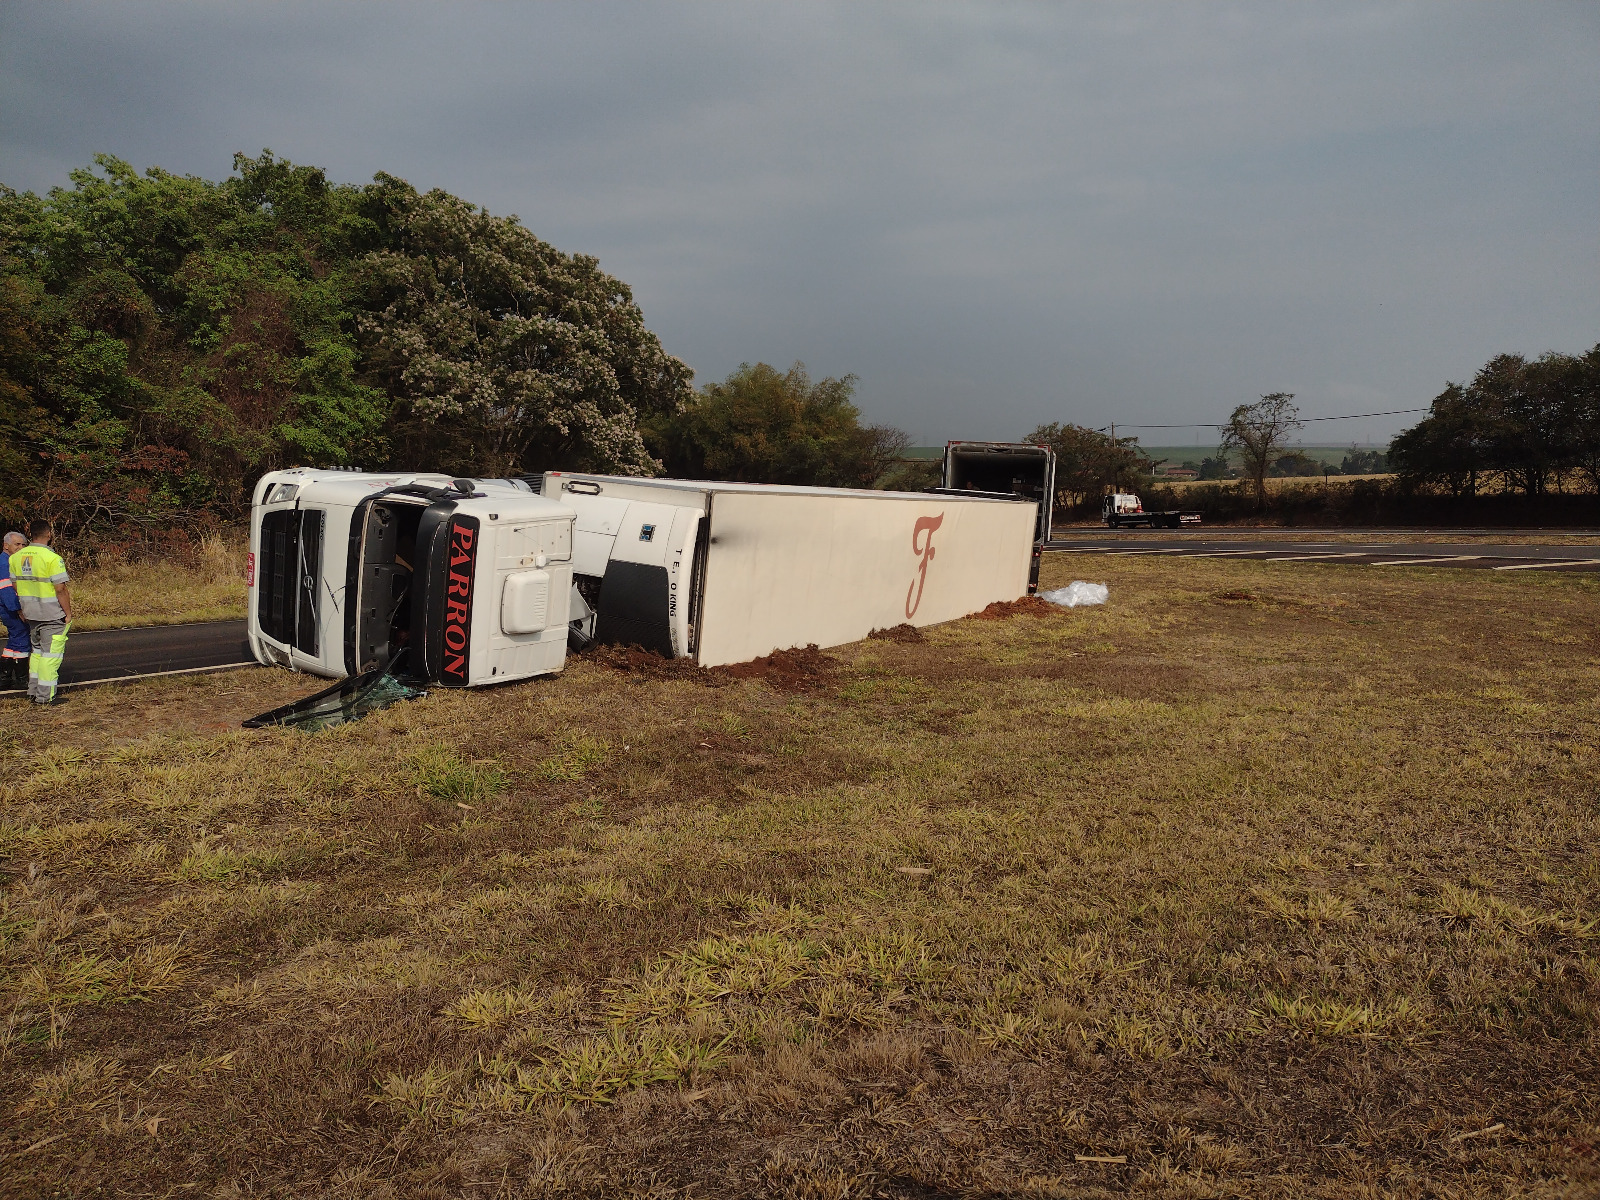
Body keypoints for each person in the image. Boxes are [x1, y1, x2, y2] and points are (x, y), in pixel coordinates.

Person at [11, 519, 73, 705]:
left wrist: (23, 608)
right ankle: (45, 697)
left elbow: (16, 585)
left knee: (37, 653)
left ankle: (34, 690)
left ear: (31, 534)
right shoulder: (52, 558)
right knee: (50, 656)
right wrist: (67, 612)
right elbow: (60, 588)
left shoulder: (16, 557)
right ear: (49, 534)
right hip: (51, 614)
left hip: (31, 613)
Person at [0, 531, 29, 690]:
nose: (21, 547)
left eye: (23, 544)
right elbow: (7, 591)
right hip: (10, 608)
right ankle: (21, 679)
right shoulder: (5, 564)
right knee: (22, 639)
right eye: (17, 544)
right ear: (6, 545)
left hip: (9, 608)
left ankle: (5, 677)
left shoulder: (10, 561)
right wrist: (19, 610)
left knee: (14, 640)